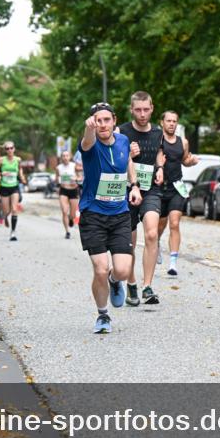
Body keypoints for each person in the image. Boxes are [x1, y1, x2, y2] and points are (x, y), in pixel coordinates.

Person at [78, 102, 143, 334]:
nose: (102, 124)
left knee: (123, 270)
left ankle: (116, 282)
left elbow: (127, 162)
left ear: (114, 120)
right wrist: (89, 129)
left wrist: (134, 186)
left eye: (106, 120)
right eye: (97, 120)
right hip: (93, 215)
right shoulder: (91, 144)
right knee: (99, 269)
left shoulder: (123, 140)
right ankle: (103, 315)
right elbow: (87, 141)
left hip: (119, 214)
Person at [117, 91, 164, 305]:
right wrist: (128, 155)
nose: (142, 114)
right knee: (130, 243)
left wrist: (160, 167)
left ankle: (147, 286)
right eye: (138, 110)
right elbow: (113, 161)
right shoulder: (122, 132)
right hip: (126, 191)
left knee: (152, 233)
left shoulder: (157, 131)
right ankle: (132, 284)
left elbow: (158, 153)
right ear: (131, 110)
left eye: (146, 109)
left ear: (152, 108)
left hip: (150, 189)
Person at [155, 111, 199, 276]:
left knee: (174, 223)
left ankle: (173, 263)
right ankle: (156, 242)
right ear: (162, 123)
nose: (172, 124)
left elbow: (185, 160)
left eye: (174, 121)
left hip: (176, 187)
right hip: (159, 187)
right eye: (169, 121)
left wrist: (192, 162)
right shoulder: (157, 140)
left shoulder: (183, 142)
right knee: (160, 224)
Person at [0, 141, 26, 241]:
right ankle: (4, 216)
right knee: (6, 211)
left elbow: (20, 170)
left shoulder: (18, 160)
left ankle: (13, 233)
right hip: (4, 187)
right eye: (7, 148)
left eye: (11, 148)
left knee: (14, 209)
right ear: (5, 150)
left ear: (14, 149)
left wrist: (22, 178)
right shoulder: (1, 160)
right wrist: (1, 174)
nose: (9, 150)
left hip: (14, 187)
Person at [55, 150, 80, 239]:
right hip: (63, 191)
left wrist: (76, 178)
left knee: (72, 214)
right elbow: (56, 179)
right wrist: (58, 180)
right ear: (61, 157)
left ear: (70, 157)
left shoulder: (74, 166)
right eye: (63, 156)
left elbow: (80, 177)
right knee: (64, 211)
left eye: (67, 155)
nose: (65, 157)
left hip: (73, 190)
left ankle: (71, 219)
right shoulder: (58, 167)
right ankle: (67, 232)